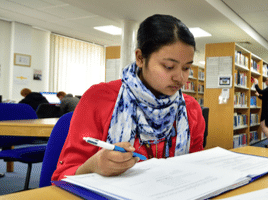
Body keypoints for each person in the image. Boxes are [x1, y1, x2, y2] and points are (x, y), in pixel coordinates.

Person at [52, 14, 205, 180]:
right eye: (169, 67)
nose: (180, 78)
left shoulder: (190, 108)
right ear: (140, 58)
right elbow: (62, 176)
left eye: (186, 68)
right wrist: (93, 165)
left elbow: (195, 167)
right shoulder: (99, 99)